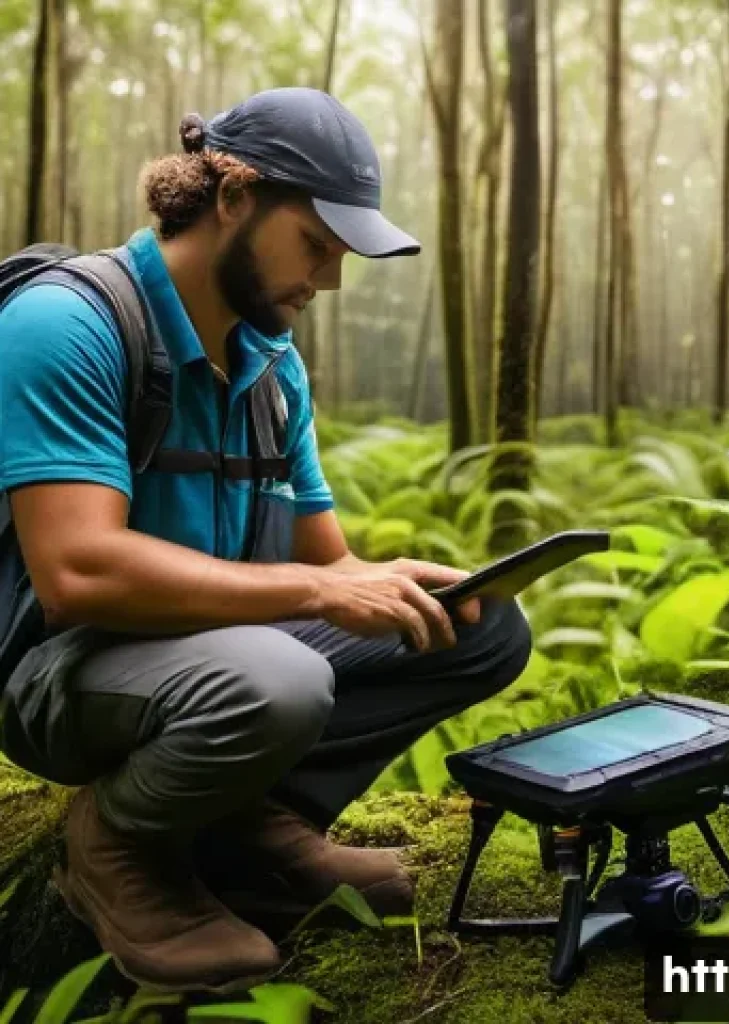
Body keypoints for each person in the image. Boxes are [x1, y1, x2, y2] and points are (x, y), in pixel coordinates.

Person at [0, 87, 532, 995]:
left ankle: (255, 829)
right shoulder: (68, 324)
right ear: (233, 196)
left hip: (219, 655)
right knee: (279, 679)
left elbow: (330, 567)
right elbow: (78, 572)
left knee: (479, 624)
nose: (327, 281)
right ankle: (115, 845)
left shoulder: (273, 368)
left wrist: (388, 580)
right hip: (59, 672)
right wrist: (322, 594)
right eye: (317, 245)